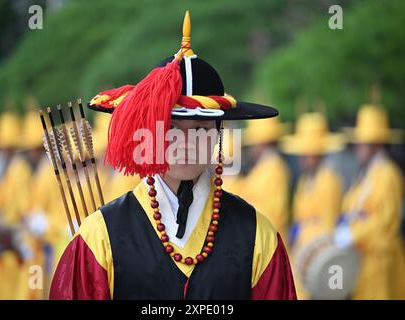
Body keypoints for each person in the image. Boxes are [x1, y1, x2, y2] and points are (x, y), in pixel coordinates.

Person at [49, 11, 296, 300]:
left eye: (201, 128)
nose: (187, 143)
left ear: (218, 133)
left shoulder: (258, 237)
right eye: (170, 128)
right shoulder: (98, 237)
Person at [336, 104, 405, 299]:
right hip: (363, 261)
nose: (357, 147)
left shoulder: (388, 174)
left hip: (381, 264)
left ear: (376, 143)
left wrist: (353, 233)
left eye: (362, 142)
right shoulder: (366, 174)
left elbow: (386, 223)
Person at [281, 112, 344, 299]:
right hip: (302, 251)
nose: (303, 157)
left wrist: (320, 261)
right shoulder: (305, 180)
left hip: (318, 256)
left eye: (307, 153)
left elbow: (329, 225)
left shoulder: (329, 180)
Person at [235, 117, 290, 240]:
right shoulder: (261, 167)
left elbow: (274, 212)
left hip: (267, 238)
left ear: (262, 143)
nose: (251, 148)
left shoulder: (275, 168)